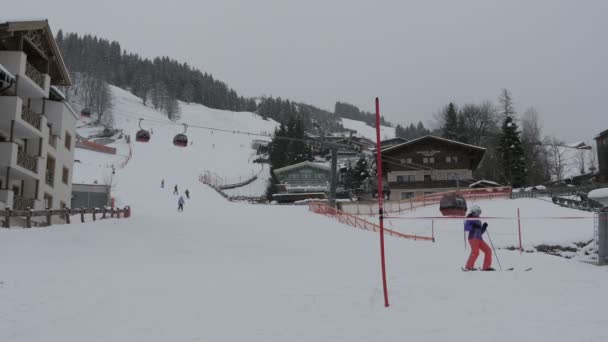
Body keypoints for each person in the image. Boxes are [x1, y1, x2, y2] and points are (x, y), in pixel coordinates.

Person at [464, 205, 494, 271]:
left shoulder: (478, 220)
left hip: (479, 238)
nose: (479, 213)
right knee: (475, 252)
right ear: (474, 212)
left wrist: (484, 227)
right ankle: (469, 266)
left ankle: (486, 267)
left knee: (488, 250)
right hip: (473, 238)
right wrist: (472, 226)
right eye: (478, 212)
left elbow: (480, 232)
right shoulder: (470, 218)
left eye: (479, 212)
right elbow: (466, 228)